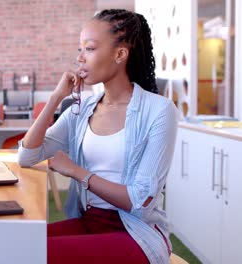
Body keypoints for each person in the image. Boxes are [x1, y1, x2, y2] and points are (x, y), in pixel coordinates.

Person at [18, 9, 178, 264]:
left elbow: (139, 202)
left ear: (120, 54)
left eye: (89, 49)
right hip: (91, 221)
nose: (80, 58)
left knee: (37, 255)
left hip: (137, 233)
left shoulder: (159, 110)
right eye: (79, 50)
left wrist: (76, 171)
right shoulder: (81, 110)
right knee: (17, 245)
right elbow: (27, 156)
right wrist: (55, 98)